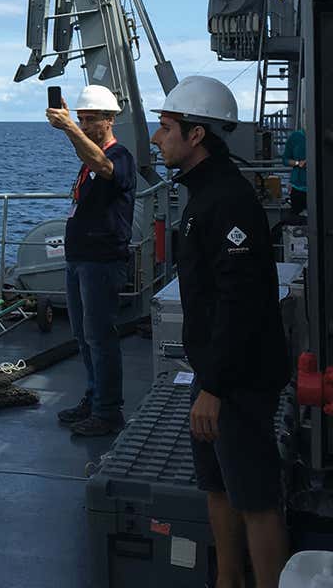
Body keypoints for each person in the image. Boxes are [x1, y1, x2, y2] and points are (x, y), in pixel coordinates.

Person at [151, 75, 290, 588]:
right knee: (217, 486)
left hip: (237, 381)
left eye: (165, 128)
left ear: (196, 136)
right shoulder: (204, 194)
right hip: (213, 372)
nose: (156, 138)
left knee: (254, 497)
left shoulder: (227, 200)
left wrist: (213, 387)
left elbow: (242, 302)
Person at [47, 84, 136, 436]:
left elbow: (103, 165)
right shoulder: (91, 160)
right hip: (80, 260)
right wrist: (73, 129)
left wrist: (68, 126)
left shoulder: (121, 156)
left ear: (110, 119)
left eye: (90, 119)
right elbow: (91, 158)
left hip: (101, 262)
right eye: (81, 119)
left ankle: (108, 410)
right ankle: (94, 397)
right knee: (84, 337)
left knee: (100, 338)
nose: (84, 125)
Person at [283, 127, 307, 217]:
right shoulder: (295, 137)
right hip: (298, 188)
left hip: (321, 188)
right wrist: (298, 163)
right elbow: (285, 160)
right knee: (298, 220)